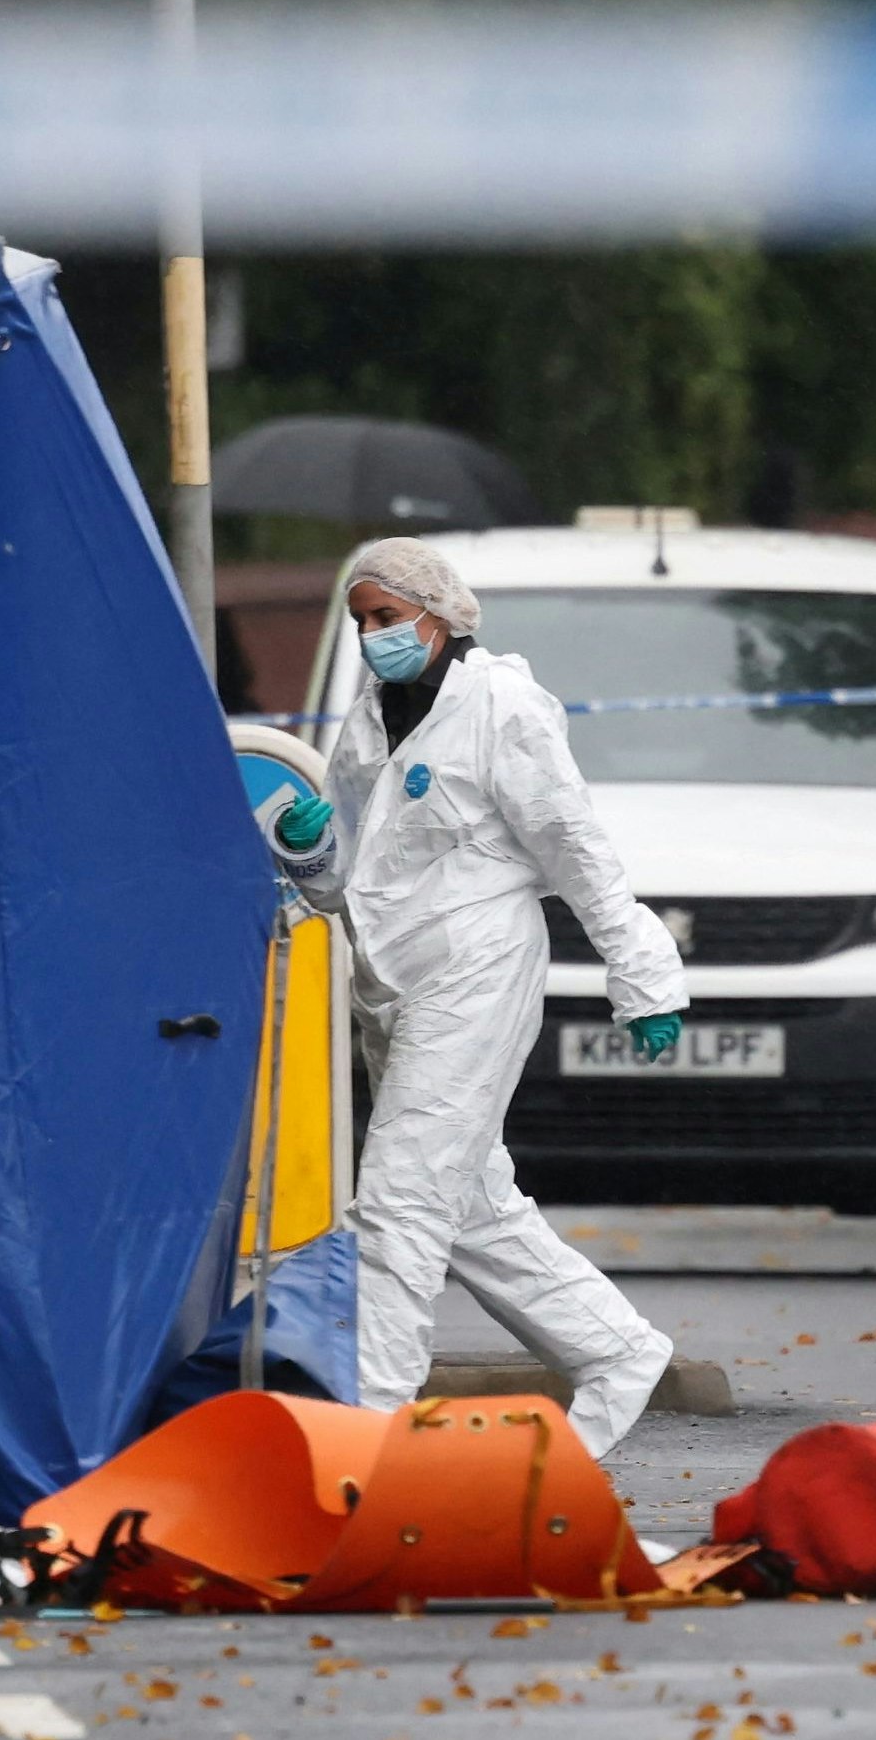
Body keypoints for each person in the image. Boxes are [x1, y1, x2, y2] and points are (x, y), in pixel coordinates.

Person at [258, 536, 687, 1456]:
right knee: (473, 1207)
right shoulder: (373, 716)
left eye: (388, 617)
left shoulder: (502, 705)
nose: (375, 637)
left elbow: (578, 849)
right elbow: (350, 885)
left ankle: (368, 1440)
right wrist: (306, 849)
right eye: (362, 620)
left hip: (478, 974)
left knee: (401, 1199)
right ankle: (616, 1352)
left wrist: (641, 974)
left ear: (443, 615)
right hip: (393, 986)